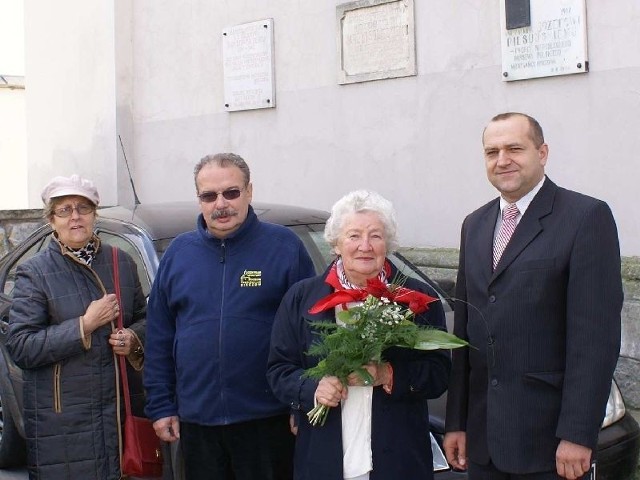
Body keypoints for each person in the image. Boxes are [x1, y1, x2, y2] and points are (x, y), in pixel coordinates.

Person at [443, 112, 623, 480]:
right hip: (484, 441)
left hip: (550, 443)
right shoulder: (474, 224)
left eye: (514, 148)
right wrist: (457, 422)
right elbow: (464, 332)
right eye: (492, 152)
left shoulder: (585, 218)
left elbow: (595, 339)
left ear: (542, 153)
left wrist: (577, 433)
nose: (502, 160)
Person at [144, 153, 316, 480]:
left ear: (249, 191)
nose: (220, 204)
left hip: (268, 419)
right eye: (209, 196)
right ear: (199, 200)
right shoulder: (178, 255)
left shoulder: (284, 247)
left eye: (231, 192)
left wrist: (301, 400)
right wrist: (162, 405)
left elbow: (309, 331)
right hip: (197, 422)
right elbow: (159, 338)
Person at [267, 190, 451, 480]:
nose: (365, 246)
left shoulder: (417, 298)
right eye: (353, 236)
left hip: (398, 460)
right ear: (336, 244)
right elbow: (279, 370)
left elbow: (439, 373)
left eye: (375, 236)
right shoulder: (302, 298)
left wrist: (388, 374)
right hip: (324, 461)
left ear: (387, 243)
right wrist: (313, 388)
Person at [6, 174, 148, 479]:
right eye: (64, 210)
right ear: (51, 220)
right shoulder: (35, 272)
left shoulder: (120, 261)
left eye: (83, 208)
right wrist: (84, 325)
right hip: (64, 423)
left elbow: (145, 318)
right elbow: (21, 346)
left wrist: (134, 338)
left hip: (120, 415)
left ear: (95, 214)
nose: (75, 217)